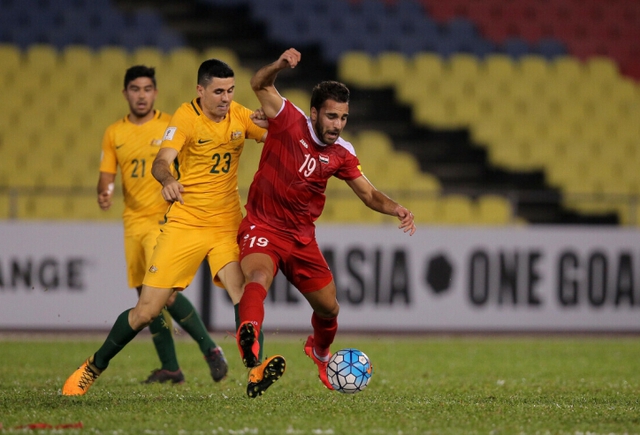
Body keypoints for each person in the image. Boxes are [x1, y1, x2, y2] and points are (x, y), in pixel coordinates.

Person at [62, 58, 268, 396]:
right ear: (200, 91)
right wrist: (169, 180)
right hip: (185, 223)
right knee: (147, 311)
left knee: (243, 292)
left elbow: (279, 134)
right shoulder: (185, 117)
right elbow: (161, 162)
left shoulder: (240, 115)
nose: (226, 98)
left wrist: (273, 118)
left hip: (226, 222)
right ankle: (94, 366)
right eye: (218, 91)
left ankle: (256, 371)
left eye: (230, 91)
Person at [235, 48, 416, 398]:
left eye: (343, 118)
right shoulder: (288, 118)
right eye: (331, 116)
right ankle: (250, 336)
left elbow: (369, 194)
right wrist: (278, 65)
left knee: (329, 308)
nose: (337, 125)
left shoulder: (342, 154)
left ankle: (318, 353)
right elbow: (258, 83)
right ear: (316, 112)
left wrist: (396, 209)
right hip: (263, 226)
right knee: (258, 277)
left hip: (302, 239)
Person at [94, 65, 231, 386]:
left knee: (164, 296)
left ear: (155, 92)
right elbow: (107, 177)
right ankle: (171, 367)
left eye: (146, 89)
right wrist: (105, 192)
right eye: (135, 89)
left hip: (166, 220)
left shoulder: (173, 123)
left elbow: (189, 164)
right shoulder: (115, 133)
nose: (141, 95)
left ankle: (209, 348)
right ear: (125, 93)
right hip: (133, 223)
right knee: (146, 300)